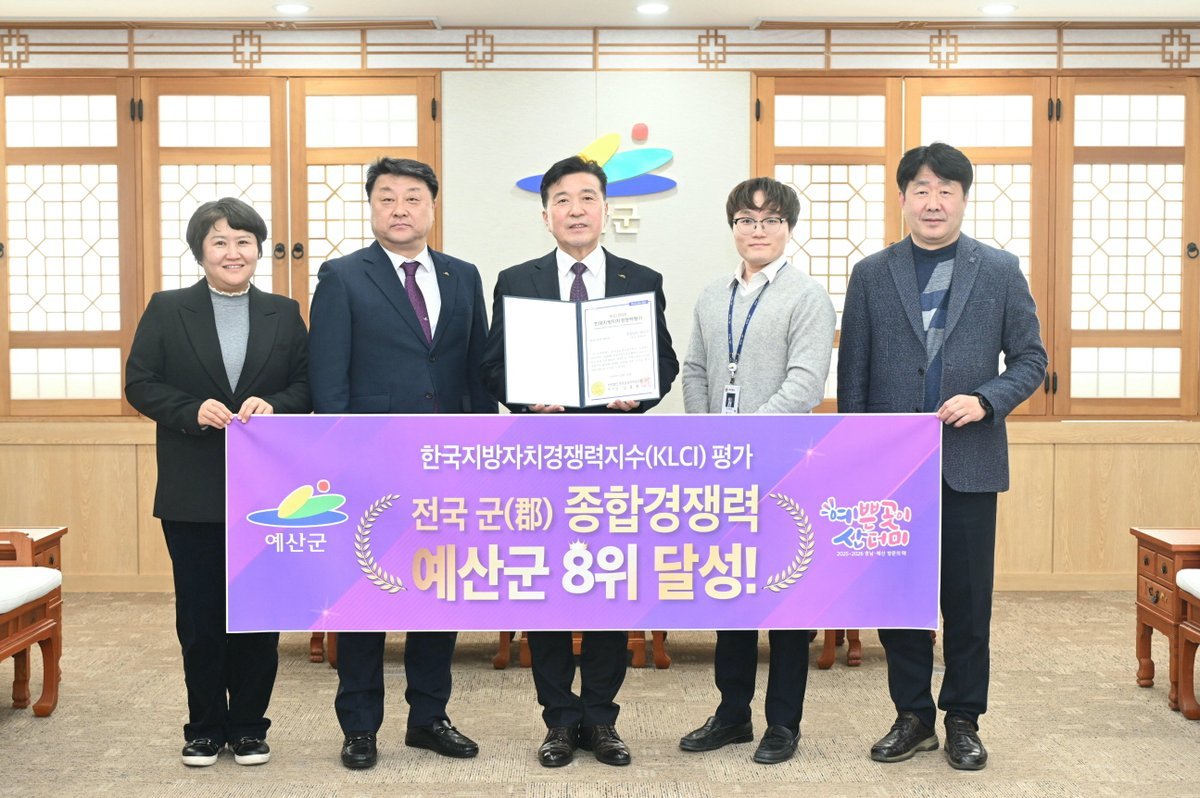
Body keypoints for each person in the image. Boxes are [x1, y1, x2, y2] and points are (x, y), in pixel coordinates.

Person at [838, 142, 1047, 771]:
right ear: (903, 199)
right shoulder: (872, 274)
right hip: (891, 467)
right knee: (897, 595)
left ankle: (963, 719)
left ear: (963, 199)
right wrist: (858, 461)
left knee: (967, 601)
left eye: (946, 190)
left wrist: (986, 400)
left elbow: (1031, 360)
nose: (933, 202)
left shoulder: (1000, 269)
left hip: (968, 463)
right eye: (921, 190)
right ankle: (912, 717)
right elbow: (854, 377)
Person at [480, 155, 679, 767]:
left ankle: (600, 718)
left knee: (610, 589)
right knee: (548, 591)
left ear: (605, 210)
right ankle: (559, 721)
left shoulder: (641, 279)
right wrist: (525, 399)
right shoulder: (517, 280)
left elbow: (664, 362)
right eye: (562, 200)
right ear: (545, 215)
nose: (575, 210)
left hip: (614, 459)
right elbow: (493, 364)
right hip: (542, 459)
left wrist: (638, 394)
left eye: (587, 198)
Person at [308, 157, 496, 770]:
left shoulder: (463, 276)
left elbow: (476, 370)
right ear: (371, 207)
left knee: (437, 593)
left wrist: (482, 449)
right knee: (365, 596)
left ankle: (429, 718)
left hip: (447, 466)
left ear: (432, 208)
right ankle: (360, 725)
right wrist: (342, 457)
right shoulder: (342, 276)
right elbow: (328, 381)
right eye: (386, 197)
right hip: (371, 467)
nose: (400, 208)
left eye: (413, 197)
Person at [125, 197, 311, 768]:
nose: (234, 253)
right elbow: (140, 383)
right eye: (220, 242)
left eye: (244, 242)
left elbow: (308, 386)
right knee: (201, 618)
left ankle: (250, 727)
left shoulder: (284, 312)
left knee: (259, 612)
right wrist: (190, 410)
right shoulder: (168, 308)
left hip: (270, 494)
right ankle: (204, 728)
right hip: (193, 490)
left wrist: (276, 406)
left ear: (259, 249)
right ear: (200, 251)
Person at [678, 177, 835, 765]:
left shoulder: (807, 297)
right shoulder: (712, 296)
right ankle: (732, 714)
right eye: (747, 220)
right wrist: (709, 436)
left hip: (784, 467)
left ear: (788, 228)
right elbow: (696, 369)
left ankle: (784, 723)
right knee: (733, 593)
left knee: (788, 599)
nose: (758, 230)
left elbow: (805, 384)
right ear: (733, 229)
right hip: (722, 470)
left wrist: (746, 436)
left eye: (771, 220)